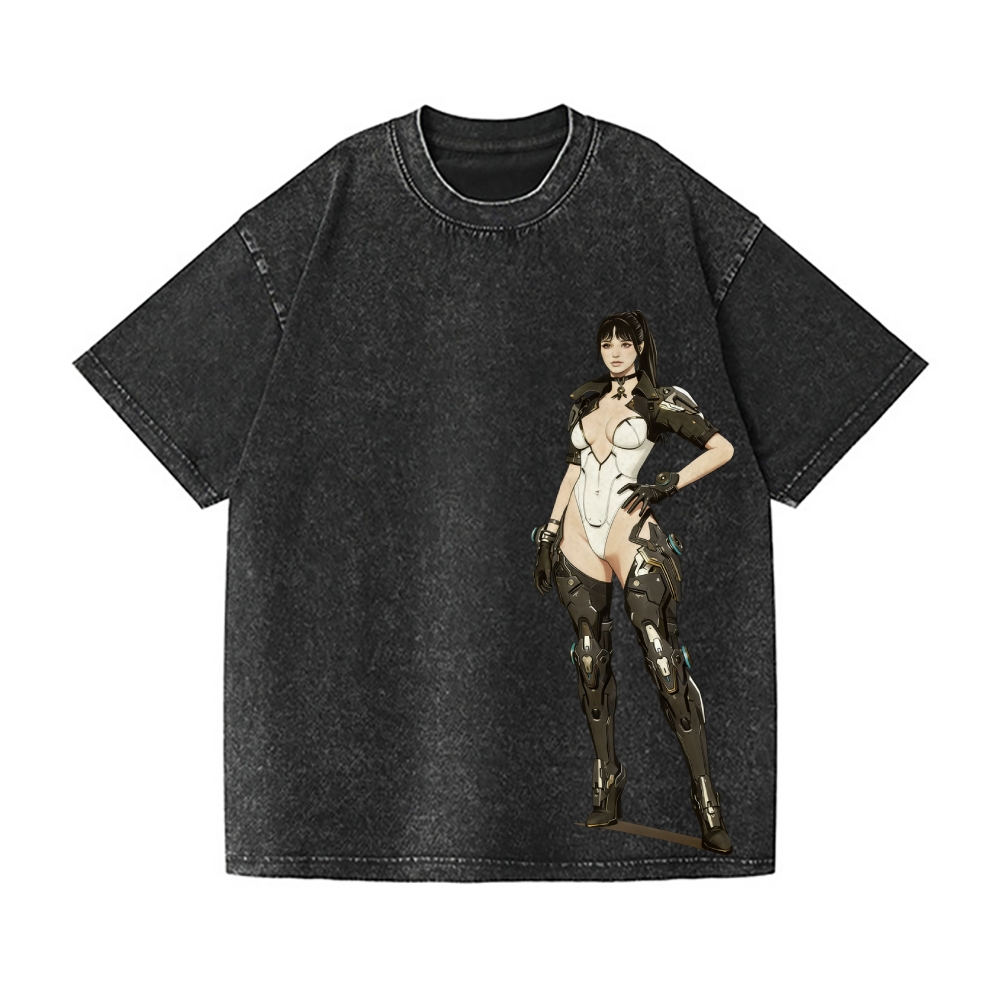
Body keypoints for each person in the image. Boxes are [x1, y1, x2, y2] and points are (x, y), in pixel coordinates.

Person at [532, 310, 735, 854]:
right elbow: (575, 468)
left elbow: (722, 448)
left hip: (628, 527)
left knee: (664, 661)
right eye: (607, 344)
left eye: (625, 343)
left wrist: (669, 482)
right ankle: (607, 782)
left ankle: (707, 800)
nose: (616, 352)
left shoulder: (658, 403)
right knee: (589, 659)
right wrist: (550, 529)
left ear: (641, 347)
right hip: (579, 532)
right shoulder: (587, 403)